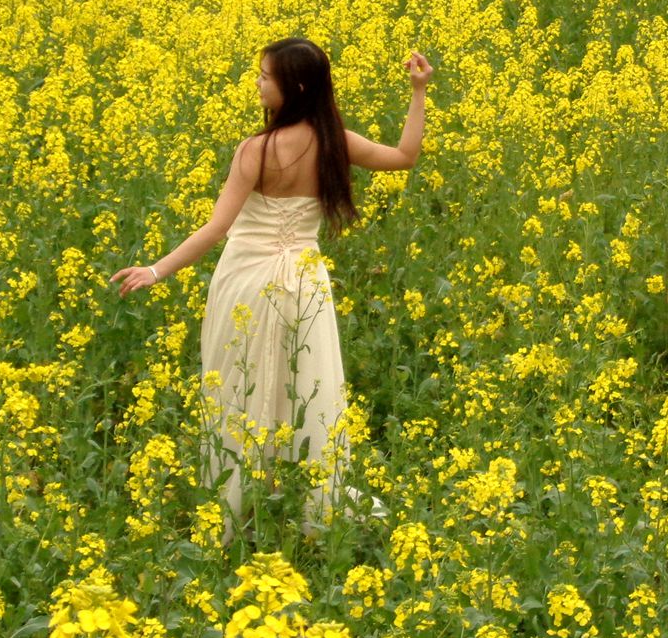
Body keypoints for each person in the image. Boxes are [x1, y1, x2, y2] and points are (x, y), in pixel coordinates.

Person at [111, 37, 433, 540]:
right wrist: (418, 92)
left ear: (295, 86)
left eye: (265, 76)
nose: (258, 82)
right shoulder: (335, 141)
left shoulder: (256, 150)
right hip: (304, 282)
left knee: (239, 386)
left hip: (246, 281)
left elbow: (216, 228)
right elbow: (405, 156)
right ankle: (299, 499)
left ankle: (236, 506)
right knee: (302, 386)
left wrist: (155, 270)